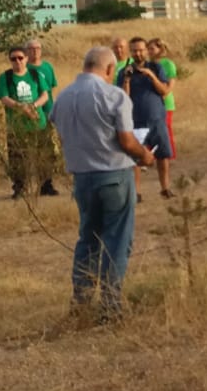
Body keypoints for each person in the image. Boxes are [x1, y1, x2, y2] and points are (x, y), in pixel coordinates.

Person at [53, 46, 156, 322]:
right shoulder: (114, 95)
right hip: (114, 175)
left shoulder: (62, 97)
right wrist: (144, 155)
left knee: (88, 239)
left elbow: (61, 134)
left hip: (82, 178)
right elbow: (125, 140)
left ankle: (82, 300)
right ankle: (111, 306)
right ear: (110, 69)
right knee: (116, 240)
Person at [116, 36, 173, 199]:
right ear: (130, 52)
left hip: (156, 118)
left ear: (146, 50)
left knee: (163, 154)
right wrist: (126, 80)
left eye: (141, 50)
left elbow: (164, 91)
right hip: (135, 120)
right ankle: (136, 192)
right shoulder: (124, 71)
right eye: (134, 51)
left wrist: (151, 76)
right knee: (135, 158)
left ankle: (165, 188)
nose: (138, 54)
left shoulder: (156, 67)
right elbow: (123, 98)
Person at [0, 44, 53, 199]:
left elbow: (45, 95)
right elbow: (4, 97)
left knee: (43, 154)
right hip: (17, 125)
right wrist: (21, 107)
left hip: (37, 121)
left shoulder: (35, 75)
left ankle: (46, 185)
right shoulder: (5, 77)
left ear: (26, 59)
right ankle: (19, 188)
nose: (17, 61)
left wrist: (33, 106)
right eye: (13, 59)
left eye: (20, 58)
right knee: (17, 157)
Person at [23, 38, 62, 196]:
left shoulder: (47, 67)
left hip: (47, 111)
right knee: (28, 150)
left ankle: (47, 183)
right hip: (30, 113)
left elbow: (51, 88)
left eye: (37, 48)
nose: (35, 51)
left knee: (46, 149)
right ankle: (24, 185)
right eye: (31, 49)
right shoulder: (24, 68)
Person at [147, 37, 179, 163]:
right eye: (148, 49)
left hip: (165, 103)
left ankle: (169, 155)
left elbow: (171, 84)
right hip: (151, 103)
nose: (149, 51)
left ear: (160, 49)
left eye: (152, 49)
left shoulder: (168, 64)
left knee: (166, 129)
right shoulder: (147, 64)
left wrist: (162, 96)